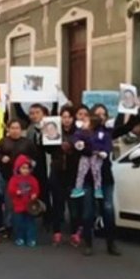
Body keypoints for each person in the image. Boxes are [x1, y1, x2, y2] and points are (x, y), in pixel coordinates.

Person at [79, 107, 140, 257]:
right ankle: (88, 243)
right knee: (87, 212)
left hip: (105, 179)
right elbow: (80, 149)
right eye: (97, 114)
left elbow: (127, 127)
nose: (100, 117)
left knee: (108, 211)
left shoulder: (108, 133)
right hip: (88, 178)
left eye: (103, 114)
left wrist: (134, 108)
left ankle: (111, 243)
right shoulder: (84, 132)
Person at [0, 120, 38, 234]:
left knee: (23, 202)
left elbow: (35, 157)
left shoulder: (27, 142)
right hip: (6, 176)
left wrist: (29, 163)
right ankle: (8, 226)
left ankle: (23, 225)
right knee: (8, 203)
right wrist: (1, 158)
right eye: (12, 128)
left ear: (21, 130)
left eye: (17, 128)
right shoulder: (3, 141)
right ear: (8, 129)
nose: (15, 130)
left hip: (23, 179)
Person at [49, 105, 83, 247]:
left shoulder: (79, 132)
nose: (66, 120)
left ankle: (75, 233)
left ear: (73, 118)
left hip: (73, 174)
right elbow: (47, 149)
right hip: (57, 173)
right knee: (57, 205)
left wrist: (71, 148)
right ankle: (57, 233)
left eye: (69, 117)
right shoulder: (53, 131)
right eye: (63, 117)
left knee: (74, 206)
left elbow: (83, 149)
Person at [72, 114, 112, 199]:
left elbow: (107, 143)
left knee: (96, 172)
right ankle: (78, 188)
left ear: (92, 124)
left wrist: (105, 151)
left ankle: (98, 189)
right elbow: (75, 137)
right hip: (86, 155)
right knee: (81, 171)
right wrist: (78, 143)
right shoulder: (81, 132)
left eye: (86, 121)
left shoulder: (102, 133)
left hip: (97, 156)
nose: (83, 123)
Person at [8, 155, 40, 247]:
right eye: (23, 168)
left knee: (30, 223)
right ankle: (20, 238)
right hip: (18, 205)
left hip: (30, 206)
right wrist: (16, 191)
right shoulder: (14, 179)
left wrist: (34, 194)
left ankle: (31, 238)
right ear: (18, 168)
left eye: (27, 168)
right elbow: (10, 189)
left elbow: (36, 188)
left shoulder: (32, 179)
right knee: (19, 224)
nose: (25, 170)